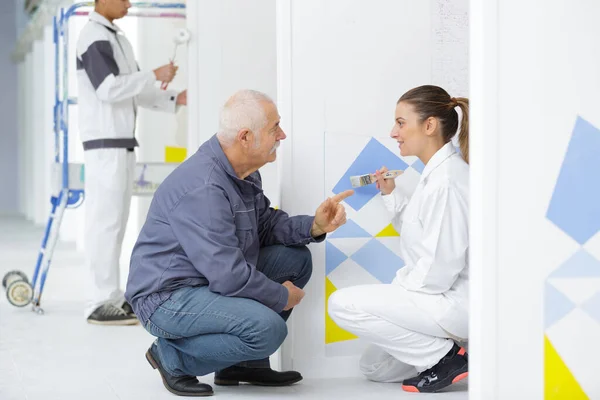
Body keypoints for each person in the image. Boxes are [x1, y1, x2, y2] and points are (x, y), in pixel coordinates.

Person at [125, 89, 353, 397]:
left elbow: (265, 226)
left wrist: (314, 226)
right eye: (275, 128)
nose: (282, 135)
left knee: (295, 259)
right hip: (167, 297)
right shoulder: (204, 187)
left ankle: (243, 365)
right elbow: (228, 275)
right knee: (268, 329)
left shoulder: (243, 173)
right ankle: (172, 357)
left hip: (203, 279)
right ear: (245, 137)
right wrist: (279, 295)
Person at [328, 85, 469, 393]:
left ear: (429, 125)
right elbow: (424, 232)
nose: (394, 132)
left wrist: (399, 292)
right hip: (436, 296)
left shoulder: (446, 181)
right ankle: (449, 350)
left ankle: (448, 359)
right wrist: (389, 194)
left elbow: (440, 266)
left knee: (341, 304)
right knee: (374, 366)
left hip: (450, 301)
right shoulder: (434, 176)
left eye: (401, 122)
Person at [76, 0, 187, 325]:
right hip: (104, 145)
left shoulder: (118, 39)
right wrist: (153, 74)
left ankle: (112, 296)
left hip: (122, 144)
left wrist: (173, 97)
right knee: (104, 224)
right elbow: (109, 89)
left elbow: (132, 91)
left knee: (116, 223)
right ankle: (98, 302)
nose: (128, 3)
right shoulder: (93, 36)